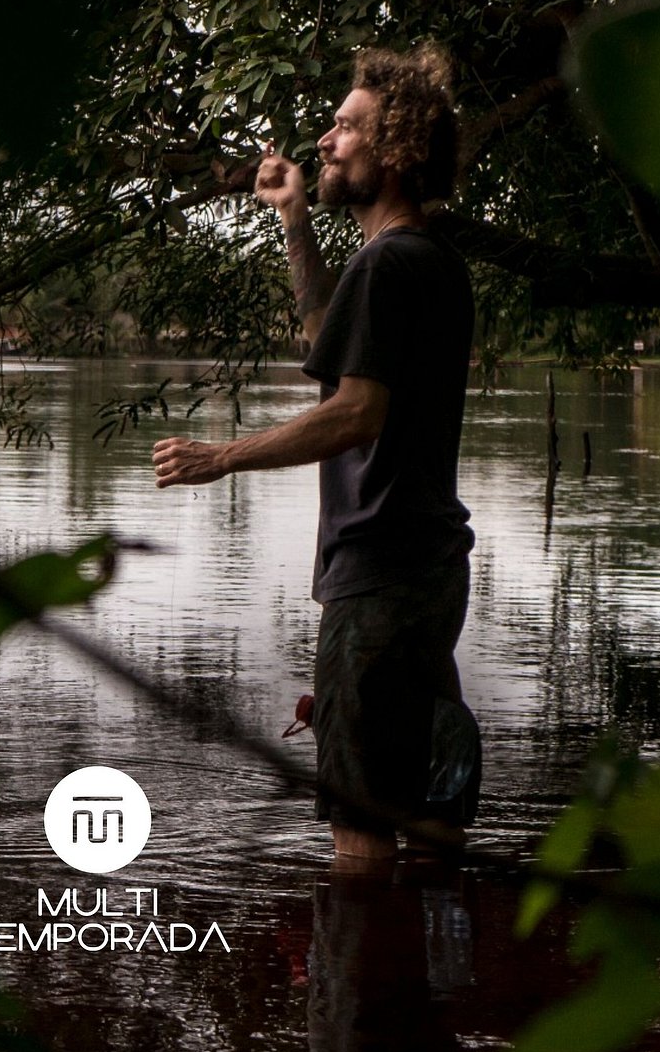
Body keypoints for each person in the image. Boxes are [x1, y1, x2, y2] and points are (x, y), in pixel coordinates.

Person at [151, 44, 476, 863]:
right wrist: (294, 218)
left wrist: (222, 456)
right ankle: (433, 941)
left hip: (378, 575)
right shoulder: (432, 260)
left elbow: (355, 411)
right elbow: (335, 347)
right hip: (431, 569)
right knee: (430, 808)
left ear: (395, 148)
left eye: (344, 127)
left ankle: (360, 944)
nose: (325, 141)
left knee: (359, 828)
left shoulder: (387, 263)